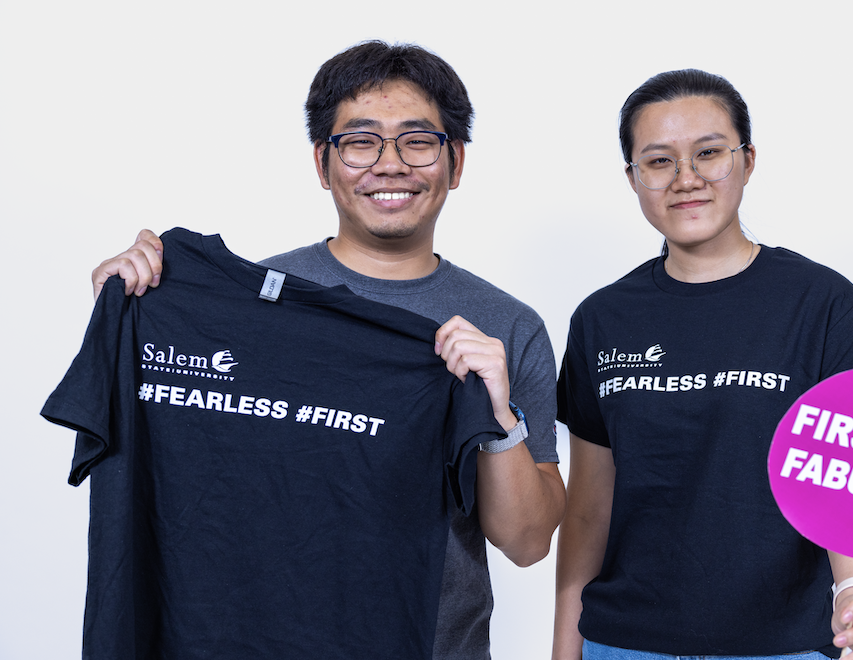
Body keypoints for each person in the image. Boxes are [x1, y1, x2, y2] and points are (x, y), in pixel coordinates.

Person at [91, 40, 566, 660]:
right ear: (323, 163)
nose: (389, 164)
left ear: (455, 162)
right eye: (361, 141)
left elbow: (528, 543)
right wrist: (129, 314)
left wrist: (499, 415)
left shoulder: (506, 326)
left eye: (418, 140)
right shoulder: (253, 310)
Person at [553, 70, 853, 660]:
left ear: (747, 159)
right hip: (625, 644)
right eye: (659, 161)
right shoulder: (602, 318)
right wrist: (565, 650)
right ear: (633, 178)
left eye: (709, 153)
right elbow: (589, 509)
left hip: (782, 644)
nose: (687, 179)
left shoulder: (821, 305)